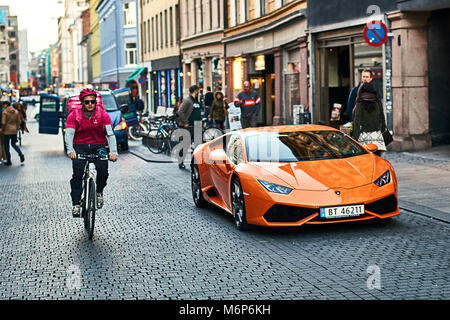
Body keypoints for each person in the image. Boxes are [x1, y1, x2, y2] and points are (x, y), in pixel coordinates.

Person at [65, 88, 119, 217]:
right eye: (87, 102)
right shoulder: (74, 115)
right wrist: (70, 150)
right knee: (77, 175)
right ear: (82, 103)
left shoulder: (103, 115)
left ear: (96, 102)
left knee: (103, 171)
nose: (90, 104)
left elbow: (110, 135)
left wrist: (113, 152)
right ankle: (76, 204)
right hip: (80, 146)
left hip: (98, 146)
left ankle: (99, 192)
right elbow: (69, 134)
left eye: (93, 102)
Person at [351, 82, 387, 157]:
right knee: (377, 159)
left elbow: (357, 122)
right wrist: (382, 130)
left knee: (365, 160)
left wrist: (354, 139)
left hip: (363, 137)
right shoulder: (377, 101)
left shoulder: (360, 103)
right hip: (376, 136)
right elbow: (382, 118)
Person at [176, 85, 201, 169]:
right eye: (198, 90)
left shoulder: (196, 101)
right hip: (189, 126)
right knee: (185, 145)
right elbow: (180, 111)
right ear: (195, 91)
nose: (199, 92)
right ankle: (180, 161)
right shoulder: (187, 100)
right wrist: (185, 122)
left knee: (197, 146)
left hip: (197, 126)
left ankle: (194, 163)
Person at [1, 100, 24, 166]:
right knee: (13, 144)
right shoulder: (16, 112)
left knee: (6, 146)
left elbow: (3, 122)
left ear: (6, 105)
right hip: (14, 131)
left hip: (7, 131)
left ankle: (9, 160)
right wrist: (16, 128)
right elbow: (19, 122)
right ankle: (20, 154)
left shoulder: (4, 112)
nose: (3, 106)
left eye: (4, 105)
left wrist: (3, 129)